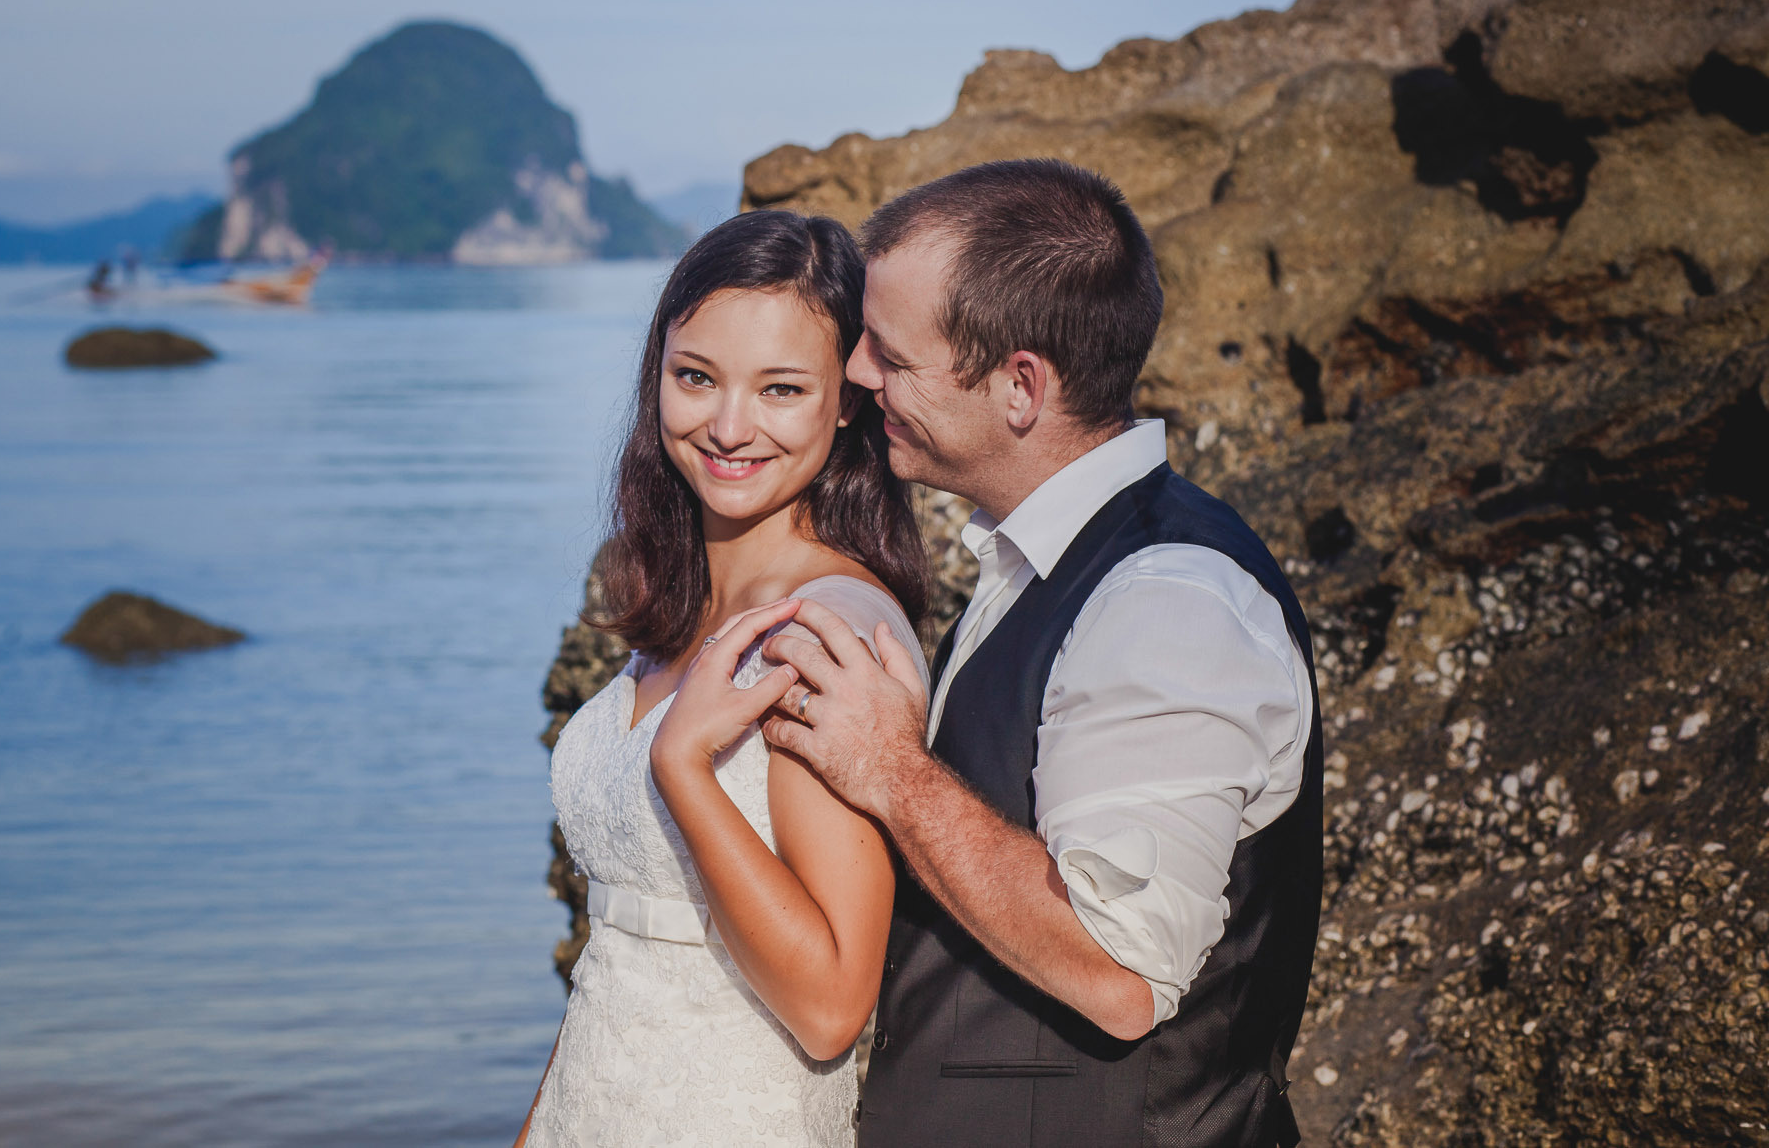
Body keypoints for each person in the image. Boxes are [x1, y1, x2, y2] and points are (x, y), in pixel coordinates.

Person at [757, 159, 1323, 1147]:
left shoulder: (1167, 601)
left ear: (1020, 385)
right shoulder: (1038, 557)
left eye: (891, 355)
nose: (854, 374)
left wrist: (890, 768)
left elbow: (1115, 972)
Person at [518, 211, 932, 1147]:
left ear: (846, 401)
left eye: (781, 388)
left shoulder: (826, 633)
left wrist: (685, 769)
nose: (729, 426)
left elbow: (831, 1001)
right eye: (695, 377)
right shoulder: (681, 604)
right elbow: (618, 953)